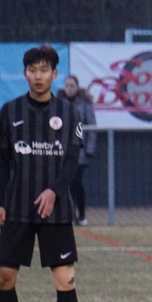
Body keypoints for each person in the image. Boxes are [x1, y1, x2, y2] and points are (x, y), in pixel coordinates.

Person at [0, 45, 102, 302]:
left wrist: (53, 191)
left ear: (54, 74)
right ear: (25, 73)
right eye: (32, 70)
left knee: (66, 279)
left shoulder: (69, 112)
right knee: (4, 278)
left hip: (55, 211)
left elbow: (72, 161)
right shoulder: (9, 111)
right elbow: (1, 163)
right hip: (16, 208)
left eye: (44, 70)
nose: (38, 76)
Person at [56, 75, 97, 225]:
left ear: (77, 87)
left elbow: (91, 127)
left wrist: (89, 149)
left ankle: (82, 215)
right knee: (65, 183)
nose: (69, 88)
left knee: (76, 182)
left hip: (80, 151)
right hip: (62, 151)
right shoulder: (58, 103)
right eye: (67, 85)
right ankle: (70, 215)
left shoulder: (85, 104)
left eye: (72, 85)